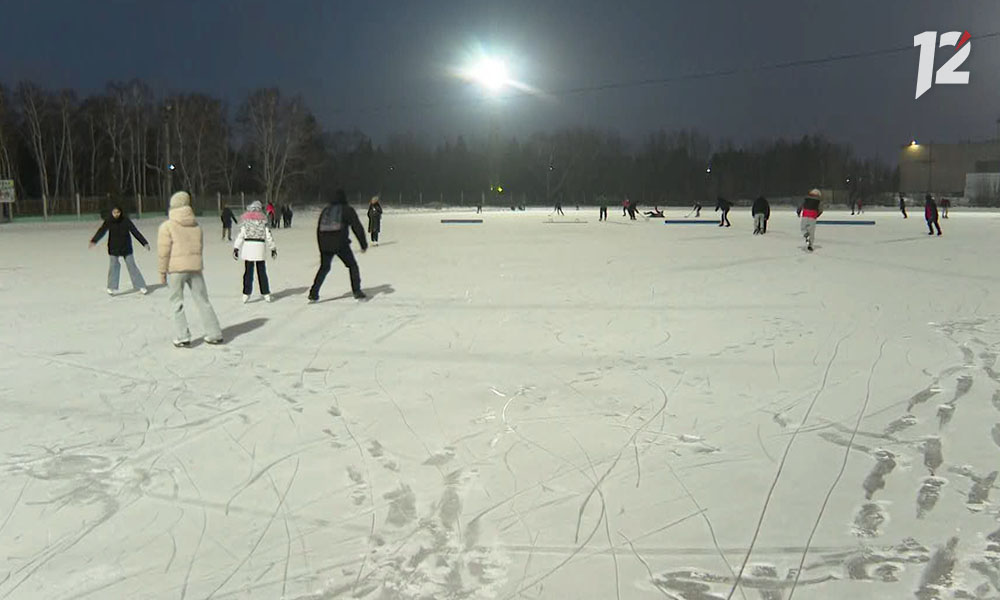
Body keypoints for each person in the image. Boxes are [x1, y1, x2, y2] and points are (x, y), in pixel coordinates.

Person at [158, 191, 224, 347]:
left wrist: (162, 271)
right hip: (195, 268)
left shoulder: (167, 226)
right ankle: (214, 333)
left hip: (176, 270)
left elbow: (163, 251)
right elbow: (199, 247)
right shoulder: (196, 225)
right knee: (203, 300)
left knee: (176, 302)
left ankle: (183, 336)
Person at [308, 189, 368, 302]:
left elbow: (319, 229)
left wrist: (321, 247)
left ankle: (313, 293)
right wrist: (363, 244)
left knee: (324, 267)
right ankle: (357, 291)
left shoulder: (326, 210)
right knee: (352, 265)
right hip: (341, 244)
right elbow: (357, 227)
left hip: (325, 244)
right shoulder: (347, 210)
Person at [89, 204, 150, 295]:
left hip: (126, 247)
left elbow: (135, 231)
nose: (116, 214)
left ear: (121, 212)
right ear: (111, 213)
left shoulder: (126, 221)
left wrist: (144, 243)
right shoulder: (109, 221)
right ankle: (111, 287)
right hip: (113, 247)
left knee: (131, 265)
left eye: (118, 212)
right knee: (113, 266)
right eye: (114, 212)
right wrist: (94, 240)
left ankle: (140, 285)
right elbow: (101, 231)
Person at [234, 200, 277, 303]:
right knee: (261, 271)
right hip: (259, 247)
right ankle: (266, 293)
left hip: (248, 248)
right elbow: (268, 236)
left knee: (248, 272)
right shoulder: (263, 221)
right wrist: (273, 248)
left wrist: (236, 248)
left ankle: (246, 293)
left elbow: (241, 235)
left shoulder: (246, 222)